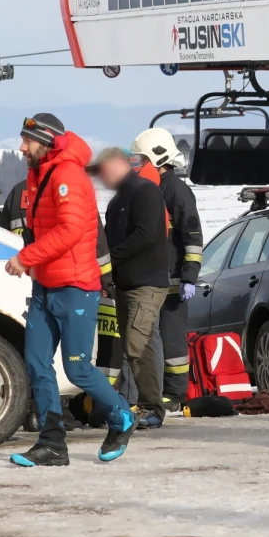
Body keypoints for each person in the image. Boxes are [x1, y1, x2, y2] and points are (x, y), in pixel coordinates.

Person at [4, 113, 137, 466]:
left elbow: (70, 231)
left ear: (46, 141)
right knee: (35, 362)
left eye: (27, 140)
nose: (21, 147)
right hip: (46, 285)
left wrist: (26, 257)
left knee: (77, 369)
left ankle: (120, 415)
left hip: (76, 287)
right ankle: (52, 443)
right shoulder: (40, 173)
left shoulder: (67, 175)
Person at [92, 146, 170, 429]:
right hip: (124, 284)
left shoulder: (146, 191)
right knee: (130, 346)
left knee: (139, 344)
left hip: (146, 283)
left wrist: (111, 259)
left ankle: (152, 408)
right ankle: (137, 404)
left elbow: (146, 235)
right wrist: (106, 275)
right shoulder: (116, 203)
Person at [130, 127, 203, 411]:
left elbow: (193, 238)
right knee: (149, 340)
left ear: (158, 159)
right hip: (150, 280)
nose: (138, 165)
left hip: (173, 282)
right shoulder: (147, 189)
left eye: (142, 160)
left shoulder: (177, 191)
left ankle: (174, 395)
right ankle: (153, 392)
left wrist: (189, 278)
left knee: (172, 344)